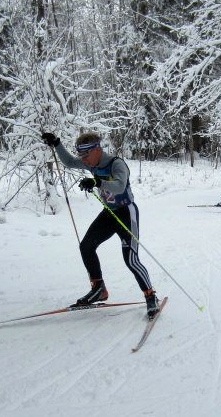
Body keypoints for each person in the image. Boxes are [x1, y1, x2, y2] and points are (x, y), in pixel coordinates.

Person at [41, 131, 159, 319]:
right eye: (82, 156)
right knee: (86, 246)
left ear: (97, 150)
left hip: (127, 213)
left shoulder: (116, 164)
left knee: (131, 260)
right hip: (109, 213)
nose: (84, 160)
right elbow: (70, 162)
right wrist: (57, 144)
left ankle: (150, 296)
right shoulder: (90, 163)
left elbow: (119, 186)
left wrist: (97, 181)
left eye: (86, 155)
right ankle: (99, 289)